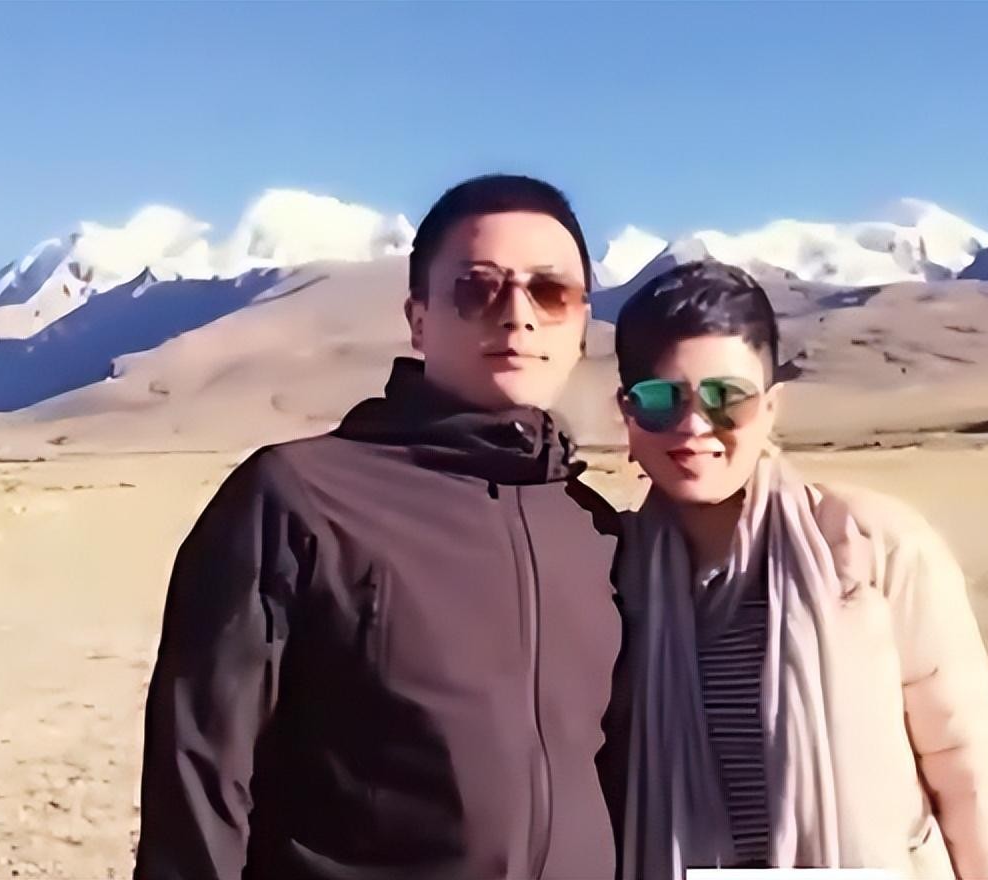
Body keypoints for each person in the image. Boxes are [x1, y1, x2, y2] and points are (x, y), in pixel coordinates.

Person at [135, 174, 625, 880]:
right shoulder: (301, 500)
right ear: (418, 318)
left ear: (581, 324)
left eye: (550, 292)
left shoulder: (597, 532)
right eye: (478, 288)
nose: (518, 316)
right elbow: (200, 778)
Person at [610, 260, 988, 879]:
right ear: (626, 413)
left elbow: (966, 765)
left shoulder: (874, 546)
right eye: (660, 400)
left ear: (771, 407)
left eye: (726, 398)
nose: (694, 426)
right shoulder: (609, 574)